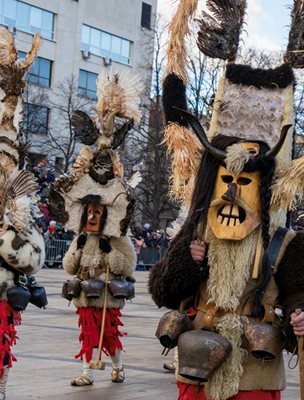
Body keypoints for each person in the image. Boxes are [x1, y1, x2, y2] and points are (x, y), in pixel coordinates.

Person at [148, 2, 304, 397]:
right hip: (198, 365)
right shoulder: (198, 229)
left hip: (255, 372)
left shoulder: (286, 242)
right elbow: (162, 289)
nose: (232, 191)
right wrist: (187, 260)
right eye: (226, 179)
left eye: (245, 181)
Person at [52, 71, 140, 387]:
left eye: (96, 211)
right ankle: (88, 371)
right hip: (85, 293)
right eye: (88, 210)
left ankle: (117, 366)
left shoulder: (117, 236)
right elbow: (69, 265)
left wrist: (109, 255)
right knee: (87, 331)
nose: (92, 215)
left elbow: (126, 263)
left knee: (110, 333)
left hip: (107, 293)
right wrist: (75, 253)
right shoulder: (81, 235)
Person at [0, 28, 47, 399]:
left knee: (1, 354)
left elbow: (32, 257)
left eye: (7, 159)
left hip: (3, 293)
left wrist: (10, 235)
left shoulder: (20, 201)